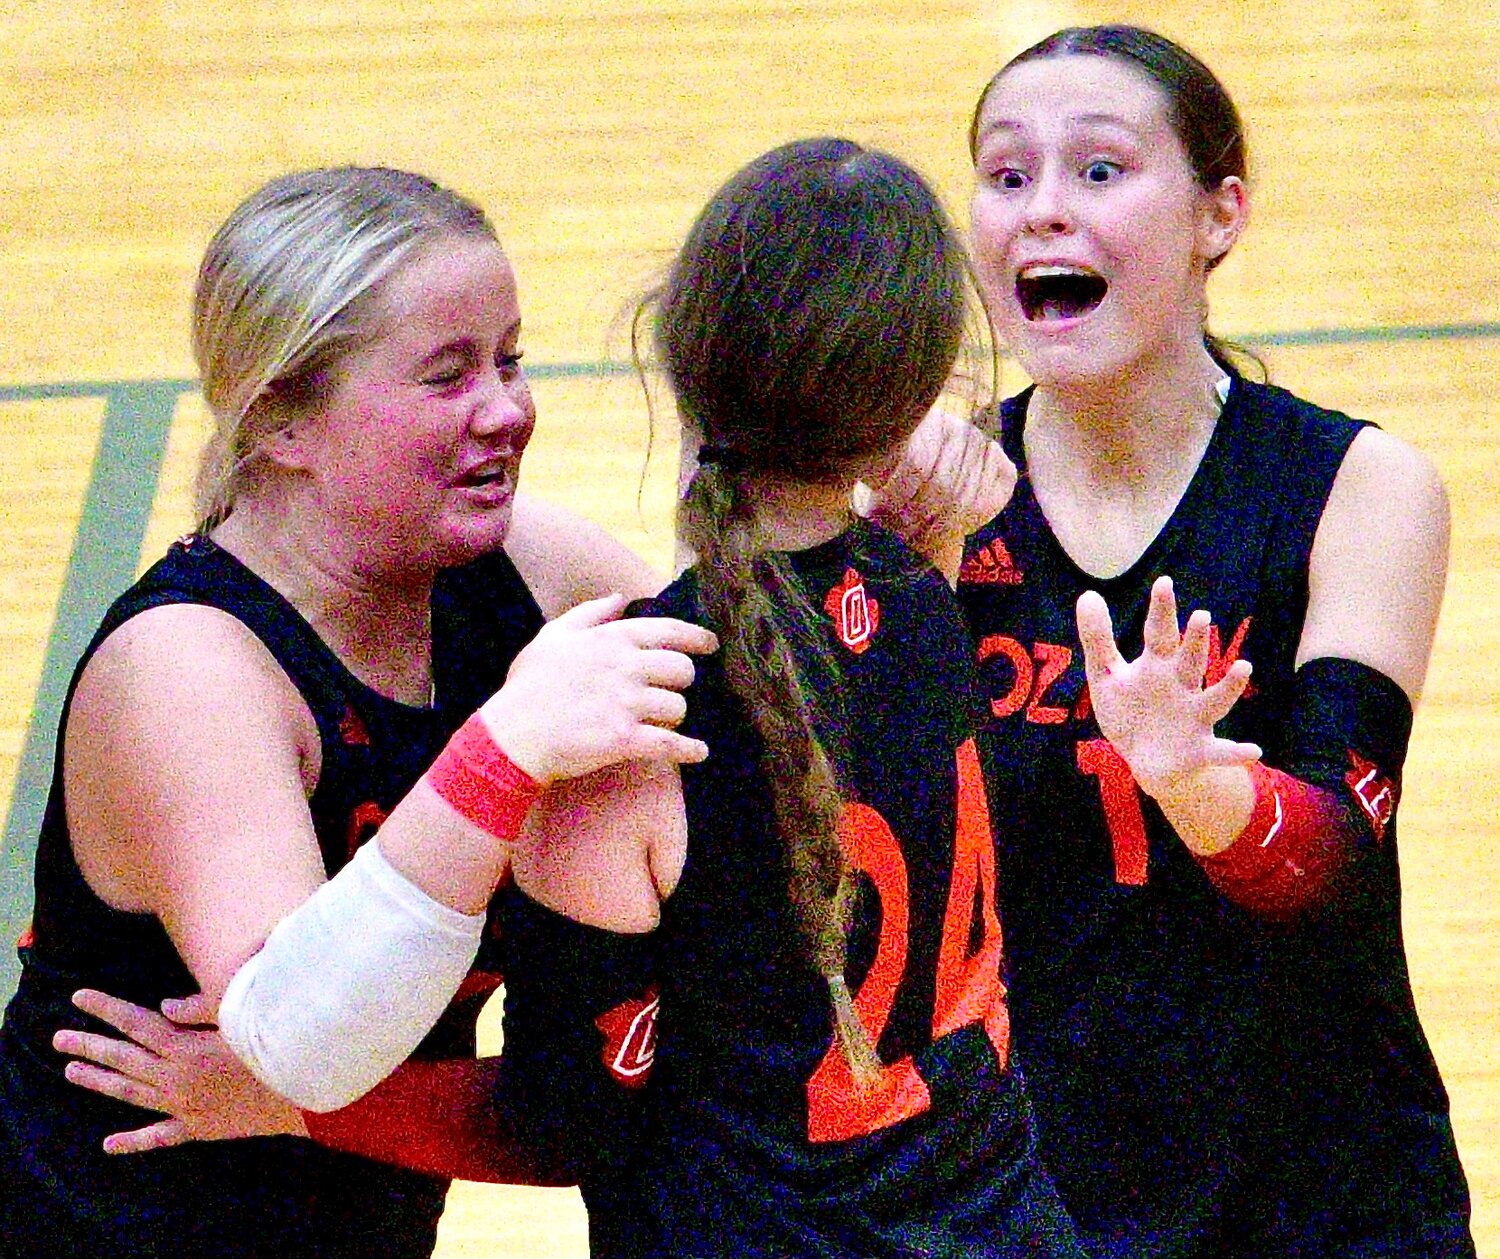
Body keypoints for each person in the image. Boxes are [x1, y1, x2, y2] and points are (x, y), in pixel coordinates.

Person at [0, 164, 717, 1259]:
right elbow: (310, 1037)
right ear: (283, 420)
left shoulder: (537, 575)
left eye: (510, 359)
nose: (508, 409)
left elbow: (765, 736)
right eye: (447, 376)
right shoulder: (188, 672)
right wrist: (503, 751)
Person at [957, 24, 1475, 1257]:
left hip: (1324, 1182)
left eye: (1098, 170)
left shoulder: (1357, 486)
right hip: (1028, 1193)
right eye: (1006, 173)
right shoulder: (938, 501)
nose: (1042, 213)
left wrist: (1195, 782)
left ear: (1218, 216)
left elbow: (1334, 856)